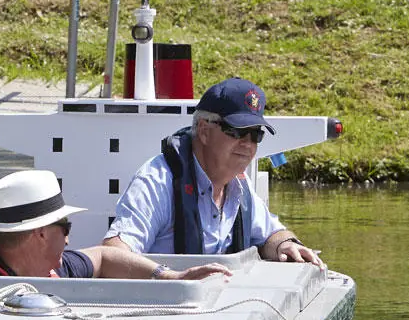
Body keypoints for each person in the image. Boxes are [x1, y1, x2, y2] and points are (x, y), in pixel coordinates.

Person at [101, 77, 324, 267]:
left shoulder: (239, 187)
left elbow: (271, 234)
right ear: (204, 131)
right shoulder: (157, 181)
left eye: (256, 134)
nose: (248, 144)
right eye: (237, 131)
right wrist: (168, 277)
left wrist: (286, 244)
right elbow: (113, 254)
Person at [0, 170, 230, 280]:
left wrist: (172, 278)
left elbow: (104, 255)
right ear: (42, 233)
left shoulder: (56, 268)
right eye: (65, 228)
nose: (68, 240)